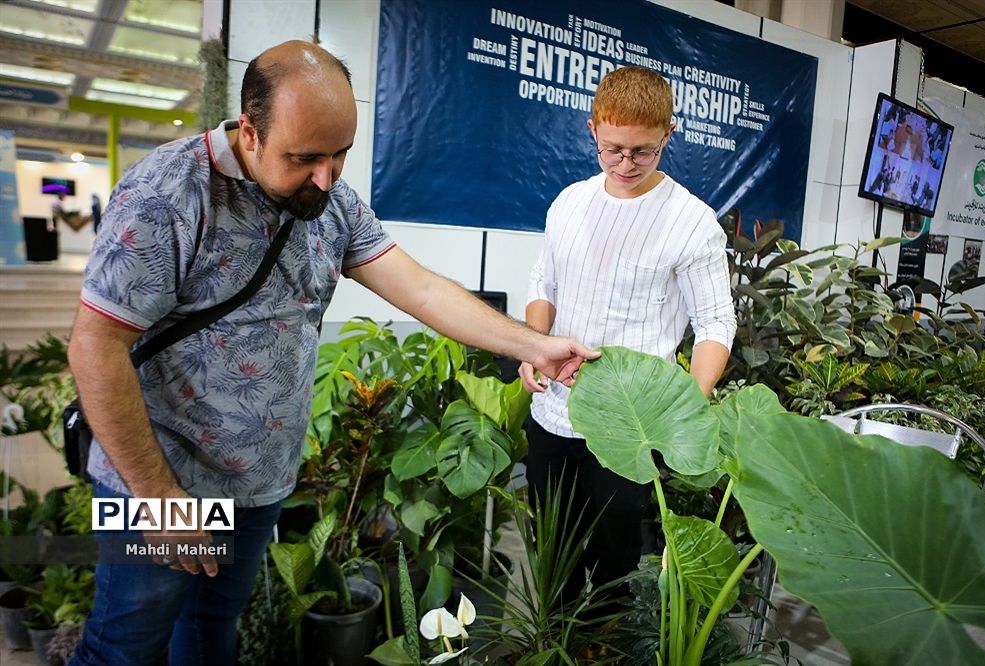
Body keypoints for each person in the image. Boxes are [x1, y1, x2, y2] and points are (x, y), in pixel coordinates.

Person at [67, 40, 598, 666]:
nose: (326, 176)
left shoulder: (331, 203)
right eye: (305, 157)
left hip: (257, 486)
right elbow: (96, 346)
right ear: (250, 131)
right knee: (123, 647)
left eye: (340, 154)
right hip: (157, 482)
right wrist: (159, 499)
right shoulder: (168, 195)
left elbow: (421, 288)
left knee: (212, 632)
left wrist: (534, 344)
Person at [518, 66, 736, 605]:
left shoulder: (692, 222)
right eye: (612, 149)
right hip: (552, 412)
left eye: (643, 152)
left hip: (629, 432)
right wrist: (532, 345)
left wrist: (685, 406)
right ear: (593, 129)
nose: (625, 165)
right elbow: (543, 281)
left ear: (669, 133)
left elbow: (715, 322)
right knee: (552, 554)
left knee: (615, 567)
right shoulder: (569, 202)